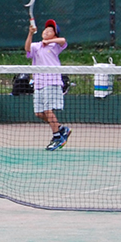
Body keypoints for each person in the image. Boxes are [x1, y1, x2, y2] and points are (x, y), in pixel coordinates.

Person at [25, 18, 71, 151]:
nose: (46, 31)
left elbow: (63, 41)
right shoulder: (36, 46)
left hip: (52, 81)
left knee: (47, 110)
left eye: (50, 31)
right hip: (39, 82)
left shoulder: (55, 46)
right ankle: (61, 129)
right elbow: (27, 48)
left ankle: (57, 137)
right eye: (46, 29)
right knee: (39, 113)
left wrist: (49, 41)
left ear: (54, 34)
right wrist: (30, 33)